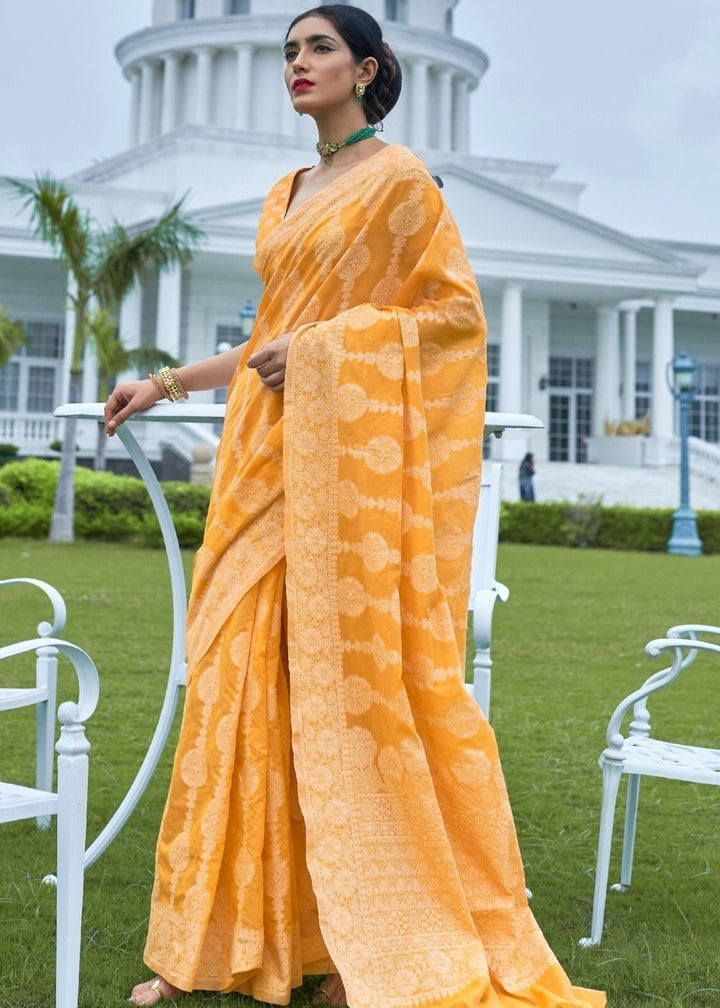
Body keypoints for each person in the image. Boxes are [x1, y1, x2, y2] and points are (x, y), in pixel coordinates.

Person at [105, 7, 605, 1008]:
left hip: (351, 480)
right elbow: (271, 339)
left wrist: (339, 348)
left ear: (368, 69)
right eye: (288, 50)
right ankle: (211, 943)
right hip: (262, 463)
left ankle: (375, 935)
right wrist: (164, 384)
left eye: (319, 48)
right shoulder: (286, 192)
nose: (297, 63)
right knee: (239, 682)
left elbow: (453, 317)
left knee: (356, 690)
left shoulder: (402, 181)